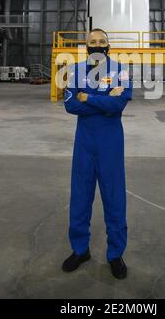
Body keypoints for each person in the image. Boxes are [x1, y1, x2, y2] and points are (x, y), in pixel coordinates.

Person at [62, 28, 132, 279]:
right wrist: (103, 101)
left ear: (108, 45)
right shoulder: (75, 71)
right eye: (93, 42)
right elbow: (70, 105)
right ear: (87, 46)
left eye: (102, 42)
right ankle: (80, 250)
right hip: (84, 143)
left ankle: (115, 254)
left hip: (111, 143)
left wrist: (87, 97)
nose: (98, 45)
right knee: (80, 196)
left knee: (114, 198)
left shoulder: (121, 70)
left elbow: (119, 104)